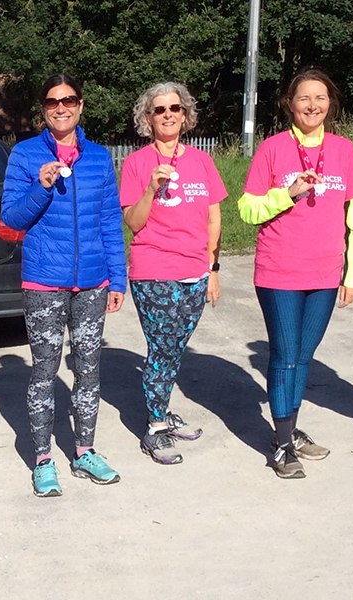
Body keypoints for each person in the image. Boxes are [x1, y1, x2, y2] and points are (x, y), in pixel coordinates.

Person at [237, 68, 353, 479]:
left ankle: (288, 432)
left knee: (304, 357)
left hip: (327, 274)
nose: (313, 105)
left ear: (331, 103)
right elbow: (246, 209)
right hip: (279, 272)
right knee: (284, 356)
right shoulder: (272, 150)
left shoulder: (345, 150)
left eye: (321, 98)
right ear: (289, 104)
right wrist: (286, 193)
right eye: (304, 98)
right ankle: (280, 443)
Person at [2, 73, 127, 497]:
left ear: (80, 105)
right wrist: (40, 187)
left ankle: (85, 451)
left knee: (88, 372)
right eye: (53, 102)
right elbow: (12, 218)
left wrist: (118, 278)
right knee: (44, 371)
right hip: (44, 283)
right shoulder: (24, 155)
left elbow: (111, 221)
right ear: (43, 109)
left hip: (93, 283)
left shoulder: (99, 158)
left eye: (69, 100)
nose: (61, 107)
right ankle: (42, 459)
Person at [119, 82, 227, 465]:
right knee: (163, 348)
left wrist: (212, 269)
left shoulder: (201, 161)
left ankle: (161, 410)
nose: (168, 115)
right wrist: (150, 188)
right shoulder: (136, 163)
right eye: (159, 110)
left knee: (175, 349)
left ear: (185, 115)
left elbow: (214, 218)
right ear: (147, 118)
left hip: (196, 271)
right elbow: (133, 221)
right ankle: (154, 427)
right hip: (154, 271)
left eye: (174, 109)